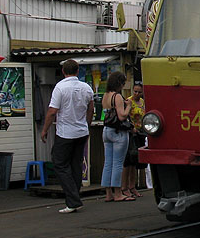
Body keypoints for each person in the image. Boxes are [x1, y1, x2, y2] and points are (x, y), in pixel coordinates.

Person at [41, 59, 94, 214]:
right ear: (77, 71)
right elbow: (91, 108)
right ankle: (75, 196)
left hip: (65, 132)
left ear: (63, 71)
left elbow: (52, 111)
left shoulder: (60, 87)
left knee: (59, 163)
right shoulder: (86, 87)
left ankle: (73, 200)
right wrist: (87, 124)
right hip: (82, 131)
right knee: (76, 164)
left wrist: (45, 129)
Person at [99, 71, 132, 202]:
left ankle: (108, 194)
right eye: (123, 83)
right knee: (118, 163)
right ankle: (118, 193)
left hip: (106, 130)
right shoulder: (117, 96)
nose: (123, 86)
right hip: (118, 132)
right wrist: (128, 106)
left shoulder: (105, 96)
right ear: (119, 83)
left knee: (108, 163)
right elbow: (122, 115)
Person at [122, 82, 148, 195]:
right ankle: (124, 187)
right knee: (128, 161)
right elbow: (125, 117)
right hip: (131, 133)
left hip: (140, 133)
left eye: (139, 92)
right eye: (135, 91)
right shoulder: (129, 101)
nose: (136, 94)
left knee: (135, 161)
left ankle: (133, 186)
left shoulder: (142, 102)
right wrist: (132, 128)